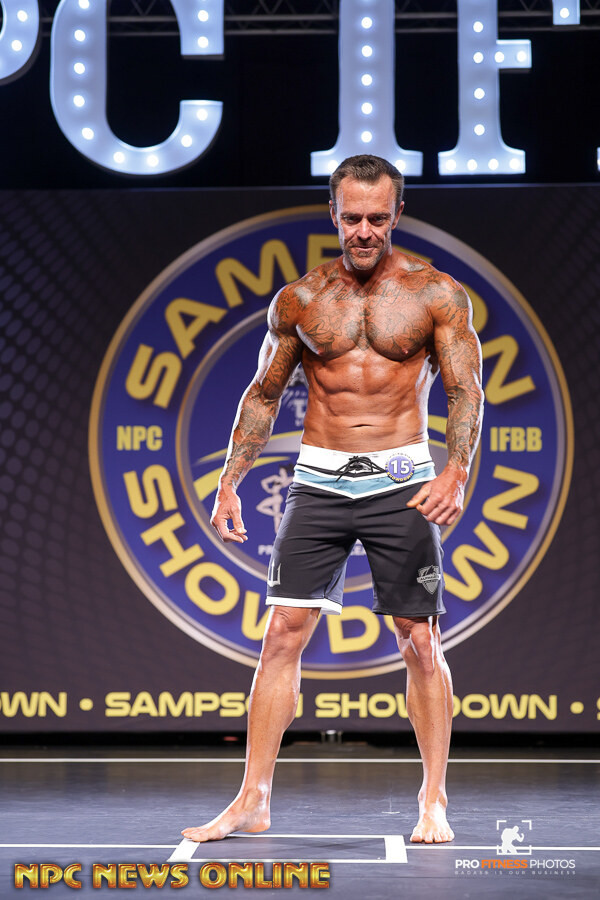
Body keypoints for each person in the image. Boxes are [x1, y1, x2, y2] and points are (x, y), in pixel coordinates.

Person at [182, 155, 483, 845]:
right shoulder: (301, 299)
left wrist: (457, 472)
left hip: (402, 481)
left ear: (397, 213)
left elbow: (465, 389)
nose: (364, 231)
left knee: (418, 639)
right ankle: (253, 799)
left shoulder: (436, 294)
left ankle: (433, 799)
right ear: (333, 214)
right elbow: (263, 395)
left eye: (377, 218)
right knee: (281, 633)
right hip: (319, 479)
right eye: (352, 218)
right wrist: (229, 480)